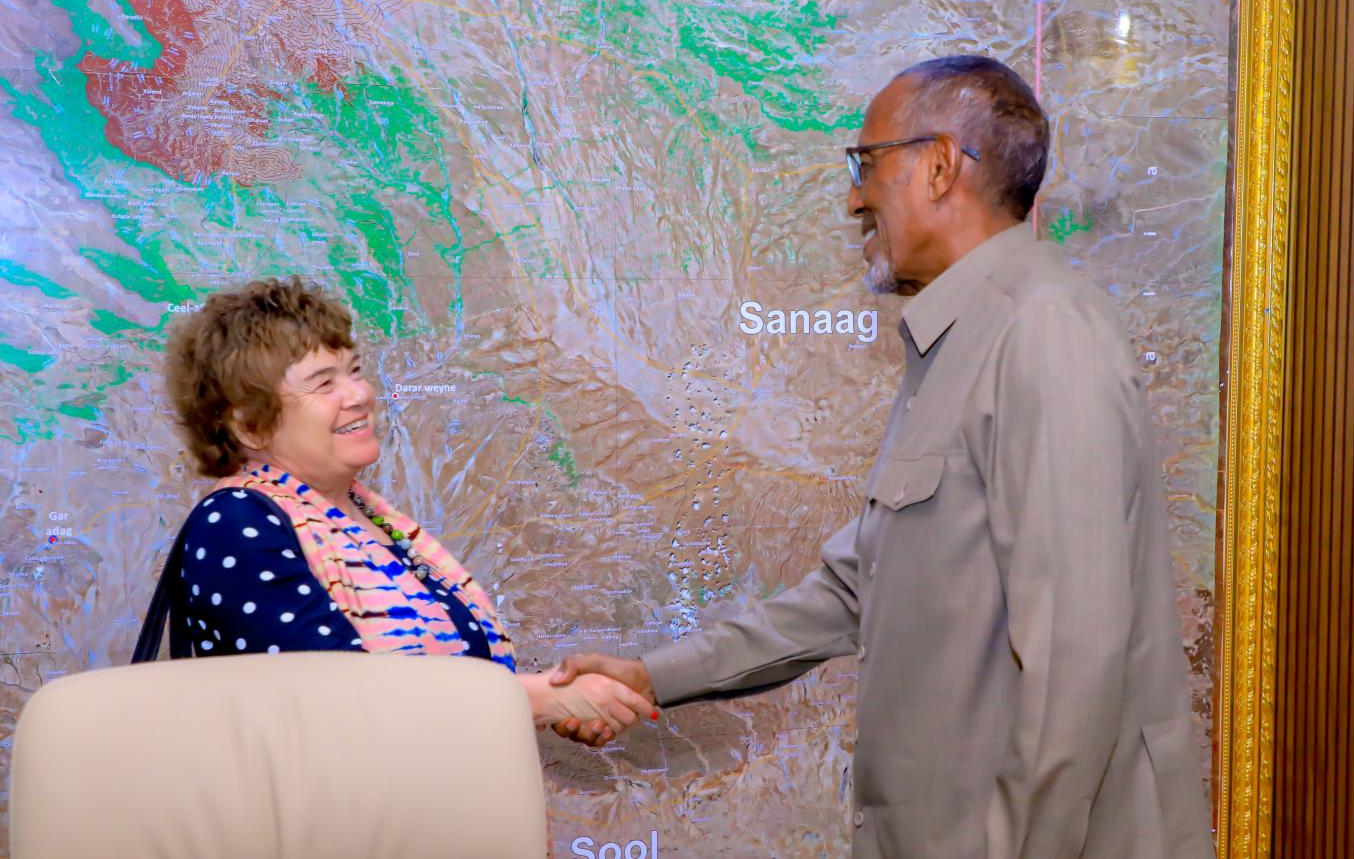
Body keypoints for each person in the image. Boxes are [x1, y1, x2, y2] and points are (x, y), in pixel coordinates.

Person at [550, 56, 1214, 858]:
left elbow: (1075, 661)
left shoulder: (1042, 331)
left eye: (866, 163)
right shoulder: (961, 340)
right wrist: (652, 676)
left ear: (939, 166)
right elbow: (855, 587)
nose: (854, 198)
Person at [159, 276, 655, 736]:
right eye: (324, 383)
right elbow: (333, 700)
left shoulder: (368, 521)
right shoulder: (235, 524)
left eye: (354, 371)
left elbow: (440, 682)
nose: (360, 394)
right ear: (251, 426)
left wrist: (560, 699)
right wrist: (537, 701)